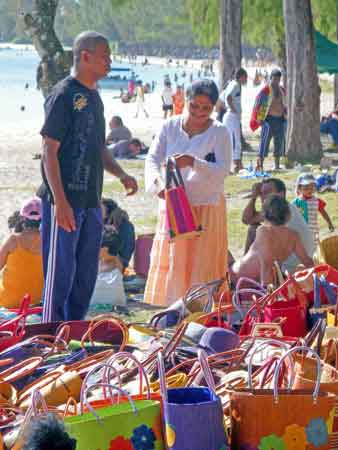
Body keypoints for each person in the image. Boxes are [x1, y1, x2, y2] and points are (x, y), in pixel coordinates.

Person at [38, 31, 138, 323]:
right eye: (105, 55)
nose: (110, 61)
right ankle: (49, 334)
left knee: (85, 276)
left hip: (91, 202)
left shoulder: (94, 97)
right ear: (85, 56)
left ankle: (74, 329)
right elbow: (48, 151)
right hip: (63, 201)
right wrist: (60, 202)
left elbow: (98, 147)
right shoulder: (63, 94)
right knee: (60, 275)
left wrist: (121, 174)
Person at [144, 79, 232, 306]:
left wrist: (194, 162)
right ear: (185, 102)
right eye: (194, 106)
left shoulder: (220, 132)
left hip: (207, 206)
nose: (199, 112)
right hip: (175, 205)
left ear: (213, 108)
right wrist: (158, 185)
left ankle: (201, 309)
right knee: (176, 260)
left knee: (202, 262)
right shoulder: (170, 126)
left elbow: (223, 170)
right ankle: (172, 309)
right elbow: (152, 159)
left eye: (206, 108)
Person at [232, 195, 313, 285]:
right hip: (254, 279)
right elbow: (307, 261)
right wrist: (316, 278)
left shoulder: (264, 231)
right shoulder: (293, 236)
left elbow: (266, 265)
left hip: (242, 278)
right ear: (289, 216)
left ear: (264, 215)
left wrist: (267, 292)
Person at [242, 178, 315, 274]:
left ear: (282, 194)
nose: (263, 197)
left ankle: (245, 270)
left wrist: (253, 197)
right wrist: (254, 196)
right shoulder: (286, 207)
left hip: (289, 270)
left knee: (253, 230)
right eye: (262, 193)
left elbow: (247, 219)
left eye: (268, 192)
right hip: (300, 264)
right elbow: (248, 219)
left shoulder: (277, 210)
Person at [0, 197, 43, 308]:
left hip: (9, 302)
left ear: (22, 218)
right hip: (35, 301)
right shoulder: (48, 241)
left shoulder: (13, 240)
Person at [250, 68, 287, 171]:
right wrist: (259, 119)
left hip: (280, 119)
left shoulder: (282, 90)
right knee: (264, 143)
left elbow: (284, 104)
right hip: (268, 120)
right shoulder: (266, 90)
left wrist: (285, 115)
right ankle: (260, 165)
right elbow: (257, 103)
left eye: (278, 79)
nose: (276, 81)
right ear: (270, 78)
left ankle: (276, 165)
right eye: (274, 79)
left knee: (278, 143)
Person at [293, 173, 335, 243]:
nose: (309, 190)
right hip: (300, 231)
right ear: (299, 188)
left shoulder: (317, 201)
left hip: (313, 231)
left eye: (312, 188)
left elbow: (323, 213)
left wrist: (329, 223)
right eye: (306, 188)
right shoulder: (296, 202)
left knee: (313, 247)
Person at [221, 68, 248, 173]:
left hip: (228, 115)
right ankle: (237, 164)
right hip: (232, 116)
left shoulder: (231, 84)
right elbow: (228, 97)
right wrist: (234, 110)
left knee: (229, 141)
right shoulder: (236, 85)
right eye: (245, 77)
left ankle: (231, 165)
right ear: (241, 76)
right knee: (236, 141)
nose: (246, 79)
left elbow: (223, 98)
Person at [101, 197, 136, 270]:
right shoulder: (125, 223)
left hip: (114, 264)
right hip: (121, 264)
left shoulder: (114, 227)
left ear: (107, 213)